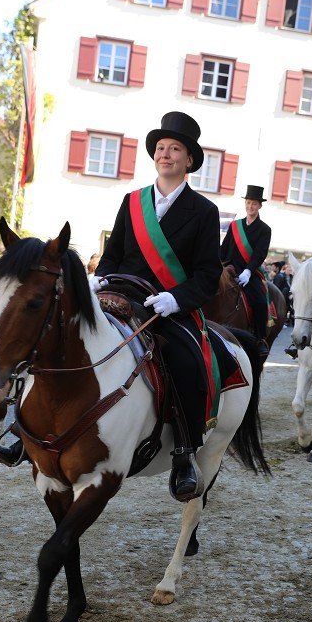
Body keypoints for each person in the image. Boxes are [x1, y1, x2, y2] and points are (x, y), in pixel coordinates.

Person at [93, 110, 237, 501]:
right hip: (122, 298)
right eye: (160, 148)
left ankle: (184, 453)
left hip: (169, 307)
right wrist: (99, 278)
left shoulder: (205, 212)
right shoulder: (132, 201)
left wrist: (178, 298)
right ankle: (28, 429)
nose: (166, 154)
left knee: (189, 362)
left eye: (175, 149)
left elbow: (208, 275)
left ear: (189, 160)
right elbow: (113, 255)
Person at [219, 184, 272, 360]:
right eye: (248, 203)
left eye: (254, 204)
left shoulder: (265, 229)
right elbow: (224, 249)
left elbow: (260, 253)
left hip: (249, 272)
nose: (250, 206)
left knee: (258, 300)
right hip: (230, 269)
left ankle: (260, 338)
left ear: (260, 206)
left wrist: (249, 271)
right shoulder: (235, 226)